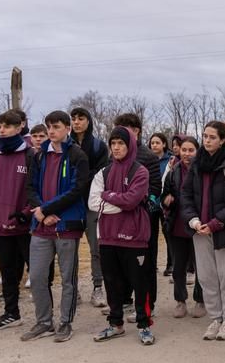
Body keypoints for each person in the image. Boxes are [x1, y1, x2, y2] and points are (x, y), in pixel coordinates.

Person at [21, 111, 90, 343]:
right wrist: (41, 212)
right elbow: (29, 187)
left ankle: (65, 323)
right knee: (38, 276)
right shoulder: (38, 156)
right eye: (49, 126)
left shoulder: (77, 155)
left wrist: (48, 210)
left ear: (67, 128)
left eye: (56, 126)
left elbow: (77, 189)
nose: (51, 131)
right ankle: (43, 321)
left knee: (68, 278)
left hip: (66, 225)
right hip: (41, 225)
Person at [180, 121, 225, 341]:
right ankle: (215, 318)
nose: (207, 140)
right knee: (207, 277)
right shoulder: (197, 163)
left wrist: (216, 222)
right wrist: (192, 220)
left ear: (222, 140)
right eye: (205, 136)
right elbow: (186, 194)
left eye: (212, 137)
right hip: (200, 230)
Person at [89, 126, 156, 345]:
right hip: (108, 236)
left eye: (121, 143)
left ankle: (144, 324)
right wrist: (118, 200)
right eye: (113, 143)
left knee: (139, 283)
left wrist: (107, 195)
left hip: (134, 237)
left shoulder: (140, 171)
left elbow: (132, 201)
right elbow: (92, 202)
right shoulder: (104, 172)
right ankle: (115, 324)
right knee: (112, 282)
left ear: (130, 145)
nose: (116, 148)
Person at [0, 110, 37, 331]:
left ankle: (46, 315)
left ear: (20, 127)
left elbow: (38, 189)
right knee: (8, 273)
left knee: (39, 273)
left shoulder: (31, 155)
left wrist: (28, 212)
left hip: (26, 226)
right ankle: (11, 313)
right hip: (1, 225)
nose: (2, 130)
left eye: (7, 126)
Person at [113, 114, 162, 318]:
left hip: (143, 219)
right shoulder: (114, 156)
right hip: (118, 219)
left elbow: (155, 188)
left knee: (145, 264)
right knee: (121, 262)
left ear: (137, 131)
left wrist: (138, 205)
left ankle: (147, 304)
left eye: (127, 129)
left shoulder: (147, 156)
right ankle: (125, 300)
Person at [161, 136, 206, 319]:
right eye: (184, 150)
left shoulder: (203, 171)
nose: (187, 154)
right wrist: (166, 200)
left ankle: (200, 300)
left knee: (200, 266)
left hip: (197, 225)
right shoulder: (173, 171)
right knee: (178, 267)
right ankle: (180, 301)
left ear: (197, 151)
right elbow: (164, 194)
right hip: (177, 224)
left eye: (191, 150)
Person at [70, 107, 109, 308]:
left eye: (81, 118)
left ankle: (98, 288)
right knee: (70, 249)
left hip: (91, 204)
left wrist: (81, 179)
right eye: (73, 119)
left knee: (96, 248)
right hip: (70, 205)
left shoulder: (98, 146)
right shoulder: (65, 145)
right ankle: (73, 290)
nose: (77, 122)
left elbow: (101, 173)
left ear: (88, 121)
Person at [150, 131, 174, 277]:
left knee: (168, 234)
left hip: (165, 204)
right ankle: (152, 265)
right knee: (151, 236)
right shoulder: (148, 159)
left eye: (157, 142)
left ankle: (171, 264)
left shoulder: (170, 159)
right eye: (152, 143)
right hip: (152, 203)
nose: (154, 145)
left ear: (164, 144)